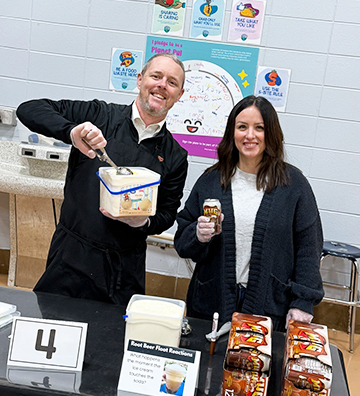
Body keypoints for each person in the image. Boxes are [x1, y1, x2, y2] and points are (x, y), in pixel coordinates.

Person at [16, 53, 188, 306]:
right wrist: (71, 132)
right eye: (156, 76)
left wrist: (143, 222)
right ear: (140, 80)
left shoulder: (176, 156)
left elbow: (167, 214)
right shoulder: (98, 116)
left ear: (179, 95)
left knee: (109, 342)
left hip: (124, 270)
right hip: (71, 257)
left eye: (172, 82)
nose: (162, 85)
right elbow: (28, 109)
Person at [174, 95, 324, 332]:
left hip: (269, 307)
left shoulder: (294, 185)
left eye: (259, 128)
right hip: (211, 303)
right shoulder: (211, 180)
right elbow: (182, 242)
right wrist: (198, 235)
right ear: (232, 133)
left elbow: (309, 247)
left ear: (271, 134)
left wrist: (303, 302)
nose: (250, 135)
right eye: (242, 127)